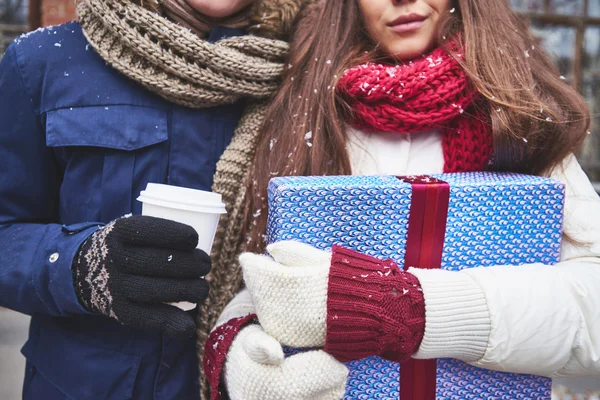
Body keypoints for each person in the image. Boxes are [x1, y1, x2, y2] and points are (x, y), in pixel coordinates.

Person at [202, 0, 600, 398]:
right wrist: (240, 352)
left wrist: (414, 311)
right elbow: (267, 278)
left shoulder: (516, 116)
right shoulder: (312, 117)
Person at [0, 0, 308, 398]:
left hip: (257, 381)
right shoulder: (41, 61)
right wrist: (79, 268)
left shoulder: (312, 67)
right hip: (87, 385)